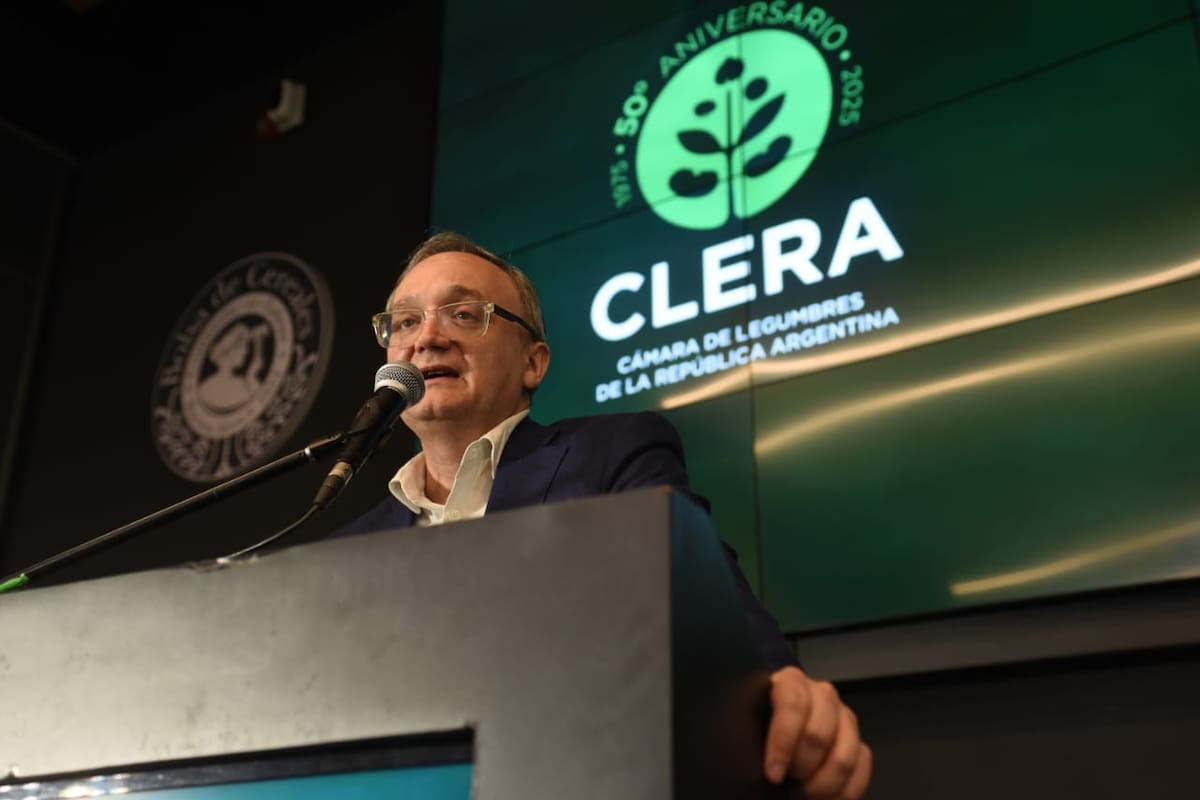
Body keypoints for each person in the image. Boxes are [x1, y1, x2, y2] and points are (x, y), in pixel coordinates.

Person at [337, 232, 872, 799]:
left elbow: (701, 587)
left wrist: (778, 689)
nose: (427, 338)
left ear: (533, 362)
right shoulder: (349, 546)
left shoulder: (612, 455)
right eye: (405, 322)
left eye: (465, 314)